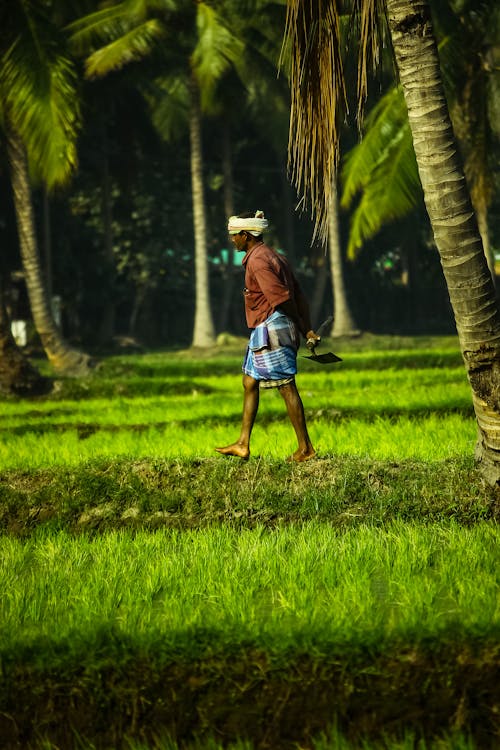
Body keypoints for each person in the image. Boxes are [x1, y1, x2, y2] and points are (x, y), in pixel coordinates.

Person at [215, 210, 321, 462]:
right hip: (266, 327)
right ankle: (242, 443)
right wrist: (306, 327)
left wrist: (301, 326)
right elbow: (299, 295)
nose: (232, 240)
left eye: (234, 235)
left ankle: (305, 448)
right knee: (250, 382)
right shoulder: (276, 257)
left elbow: (282, 299)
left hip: (273, 327)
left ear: (246, 235)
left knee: (286, 386)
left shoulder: (259, 261)